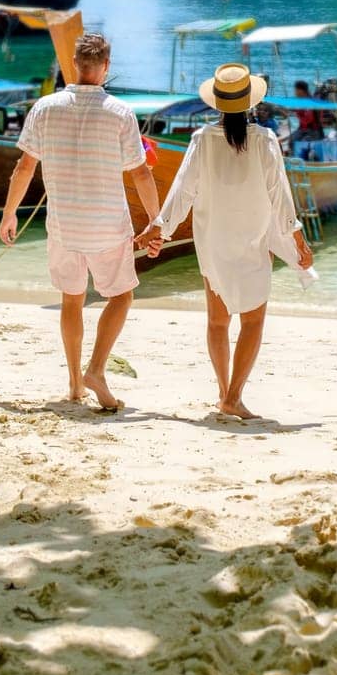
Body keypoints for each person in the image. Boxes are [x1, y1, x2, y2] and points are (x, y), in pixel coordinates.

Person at [136, 63, 313, 420]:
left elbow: (182, 191)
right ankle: (233, 396)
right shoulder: (264, 140)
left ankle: (223, 393)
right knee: (252, 321)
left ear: (217, 104)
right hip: (252, 239)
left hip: (212, 239)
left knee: (218, 321)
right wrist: (297, 238)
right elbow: (279, 193)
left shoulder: (202, 139)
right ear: (251, 103)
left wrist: (160, 228)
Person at [0, 31, 160, 410]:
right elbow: (140, 175)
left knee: (71, 300)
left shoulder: (44, 108)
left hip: (65, 225)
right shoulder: (120, 113)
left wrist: (9, 213)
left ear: (75, 65)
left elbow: (24, 167)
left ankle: (75, 384)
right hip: (108, 224)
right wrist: (155, 220)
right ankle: (97, 369)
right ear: (105, 67)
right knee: (120, 296)